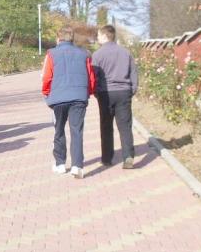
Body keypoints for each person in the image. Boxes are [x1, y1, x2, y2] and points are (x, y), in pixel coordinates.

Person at [41, 26, 96, 179]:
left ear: (58, 38)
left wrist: (46, 93)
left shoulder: (51, 54)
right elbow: (91, 77)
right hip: (79, 97)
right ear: (72, 38)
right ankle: (77, 166)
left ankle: (60, 164)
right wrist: (88, 92)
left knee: (58, 130)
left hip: (58, 98)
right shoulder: (85, 54)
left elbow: (46, 77)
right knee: (76, 131)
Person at [91, 24, 139, 169]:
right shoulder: (126, 53)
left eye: (98, 35)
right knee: (125, 126)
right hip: (124, 92)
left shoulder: (97, 55)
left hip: (105, 93)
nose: (97, 38)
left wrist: (95, 92)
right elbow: (134, 73)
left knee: (106, 126)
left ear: (105, 36)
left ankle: (107, 158)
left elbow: (94, 76)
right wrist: (132, 89)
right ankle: (128, 156)